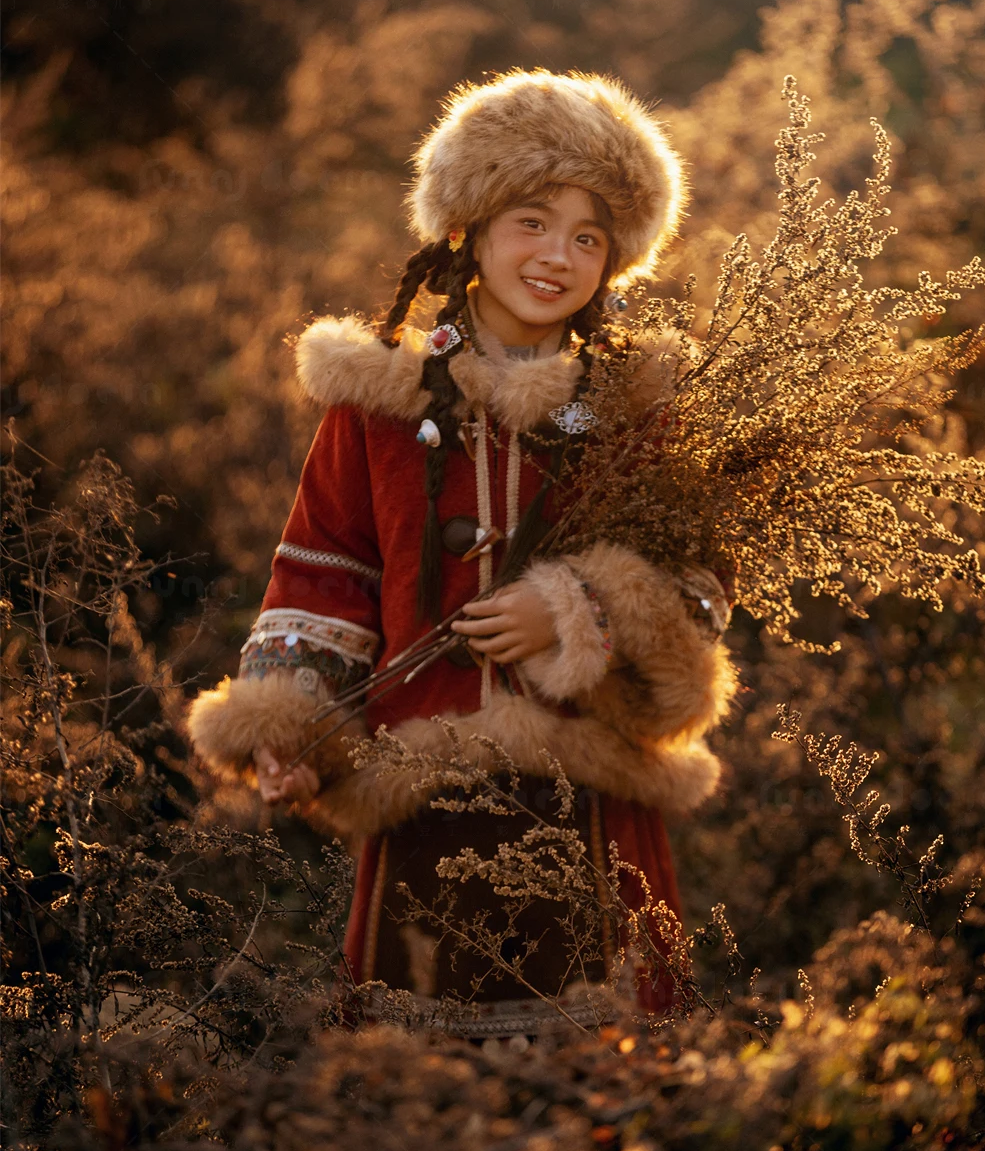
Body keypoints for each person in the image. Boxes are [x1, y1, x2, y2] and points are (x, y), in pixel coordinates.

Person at [189, 69, 736, 1036]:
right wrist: (291, 730)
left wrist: (581, 610)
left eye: (589, 236)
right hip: (422, 807)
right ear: (470, 226)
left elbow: (700, 589)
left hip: (593, 805)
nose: (557, 255)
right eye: (532, 219)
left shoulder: (633, 412)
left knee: (603, 1093)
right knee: (422, 1100)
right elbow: (325, 572)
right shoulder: (378, 406)